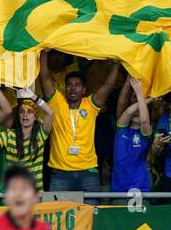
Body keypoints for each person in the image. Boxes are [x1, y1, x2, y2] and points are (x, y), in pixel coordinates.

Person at [40, 52, 120, 192]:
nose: (73, 88)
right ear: (65, 88)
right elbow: (44, 77)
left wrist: (116, 65)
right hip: (60, 173)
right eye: (69, 85)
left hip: (88, 172)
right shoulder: (57, 102)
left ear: (84, 90)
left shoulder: (90, 104)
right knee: (59, 213)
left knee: (91, 213)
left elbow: (108, 85)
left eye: (77, 85)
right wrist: (44, 53)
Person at [111, 76, 155, 195]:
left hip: (141, 187)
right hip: (119, 187)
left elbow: (145, 121)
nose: (137, 110)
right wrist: (145, 99)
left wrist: (141, 96)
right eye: (135, 103)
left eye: (141, 109)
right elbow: (127, 111)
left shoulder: (146, 133)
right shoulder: (121, 128)